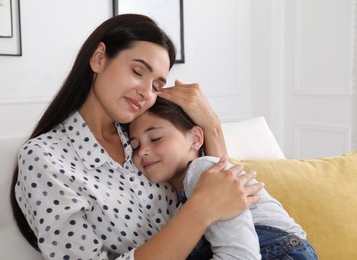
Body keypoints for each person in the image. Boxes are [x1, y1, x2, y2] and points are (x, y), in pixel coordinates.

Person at [10, 14, 264, 259]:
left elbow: (222, 190)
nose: (146, 92)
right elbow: (211, 199)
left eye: (156, 86)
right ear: (99, 58)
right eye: (137, 72)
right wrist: (202, 208)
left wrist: (212, 126)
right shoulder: (44, 157)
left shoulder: (147, 136)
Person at [128, 97, 318, 260]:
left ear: (195, 139)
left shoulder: (204, 170)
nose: (142, 151)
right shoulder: (180, 204)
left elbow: (243, 256)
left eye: (155, 138)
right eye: (135, 146)